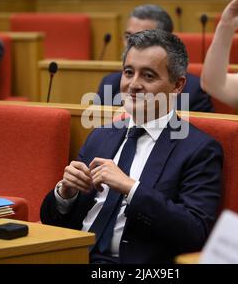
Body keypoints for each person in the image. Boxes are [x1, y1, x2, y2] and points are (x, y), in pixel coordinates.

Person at [41, 29, 223, 264]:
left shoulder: (199, 149)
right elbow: (53, 222)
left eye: (148, 76)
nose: (133, 85)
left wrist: (131, 188)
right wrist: (65, 194)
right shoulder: (100, 136)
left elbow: (194, 233)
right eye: (128, 72)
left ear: (177, 85)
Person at [96, 4, 214, 112]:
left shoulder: (194, 90)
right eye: (128, 37)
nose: (132, 45)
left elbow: (200, 133)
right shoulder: (110, 84)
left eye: (144, 39)